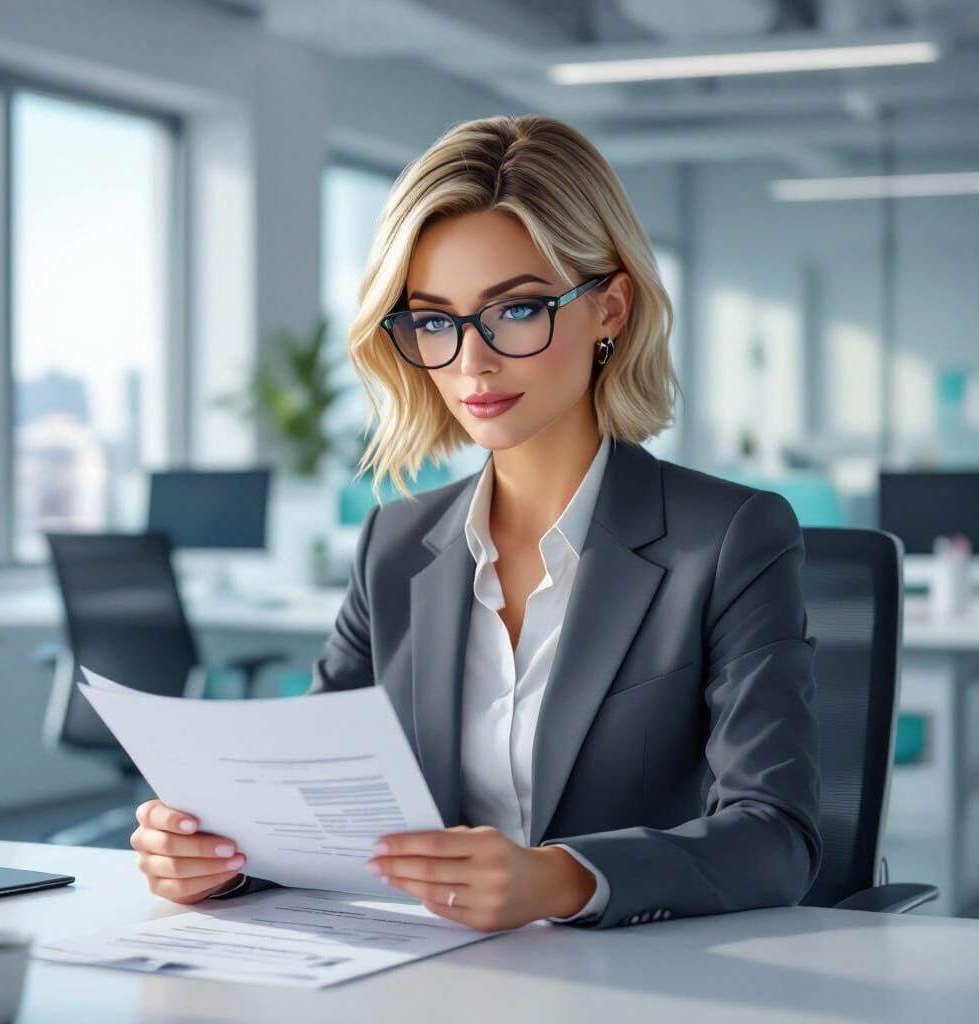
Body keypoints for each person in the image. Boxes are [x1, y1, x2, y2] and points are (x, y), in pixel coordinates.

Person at [130, 114, 822, 932]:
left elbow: (778, 837)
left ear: (610, 307)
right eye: (434, 320)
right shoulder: (394, 547)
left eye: (517, 310)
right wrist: (218, 858)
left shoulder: (731, 536)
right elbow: (311, 804)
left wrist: (565, 880)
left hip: (641, 981)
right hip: (431, 976)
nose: (471, 361)